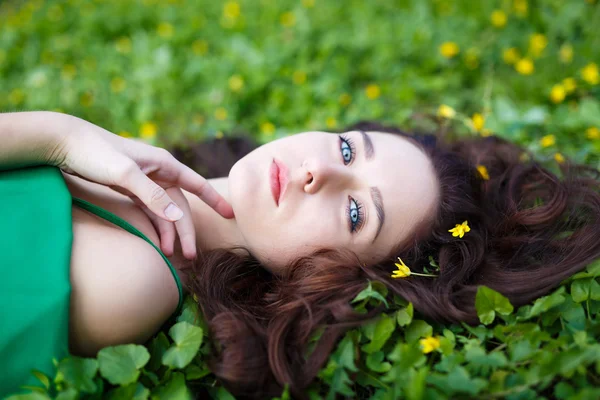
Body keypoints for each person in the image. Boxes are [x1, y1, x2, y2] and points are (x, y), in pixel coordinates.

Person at [1, 112, 599, 399]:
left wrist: (55, 135)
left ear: (331, 277)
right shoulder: (121, 157)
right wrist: (63, 135)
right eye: (346, 148)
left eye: (357, 213)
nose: (316, 172)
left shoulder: (133, 283)